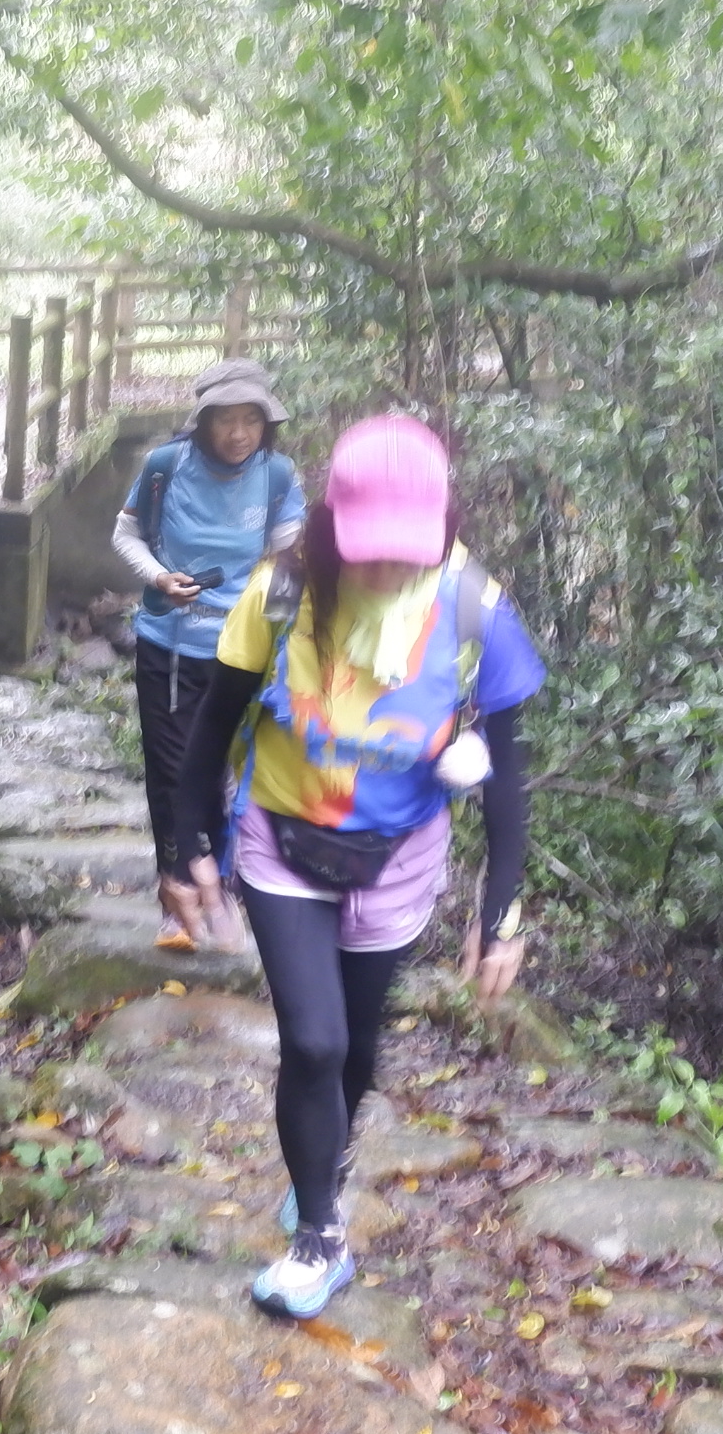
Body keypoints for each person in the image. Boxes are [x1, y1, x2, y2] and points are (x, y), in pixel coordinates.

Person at [158, 413, 541, 1322]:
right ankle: (320, 1240)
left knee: (358, 1050)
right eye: (371, 551)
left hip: (398, 857)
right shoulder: (283, 591)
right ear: (334, 526)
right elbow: (212, 723)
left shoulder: (474, 610)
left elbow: (508, 774)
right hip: (282, 839)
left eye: (408, 552)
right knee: (315, 1042)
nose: (388, 571)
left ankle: (319, 1169)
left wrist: (501, 913)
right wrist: (187, 845)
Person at [111, 359, 306, 894]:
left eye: (251, 419)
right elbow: (126, 534)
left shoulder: (278, 477)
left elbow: (287, 565)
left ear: (267, 423)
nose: (239, 433)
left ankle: (221, 882)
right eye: (225, 419)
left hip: (243, 654)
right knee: (171, 772)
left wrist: (282, 641)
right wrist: (160, 576)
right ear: (202, 421)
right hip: (171, 645)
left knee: (231, 769)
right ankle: (176, 887)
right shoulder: (166, 466)